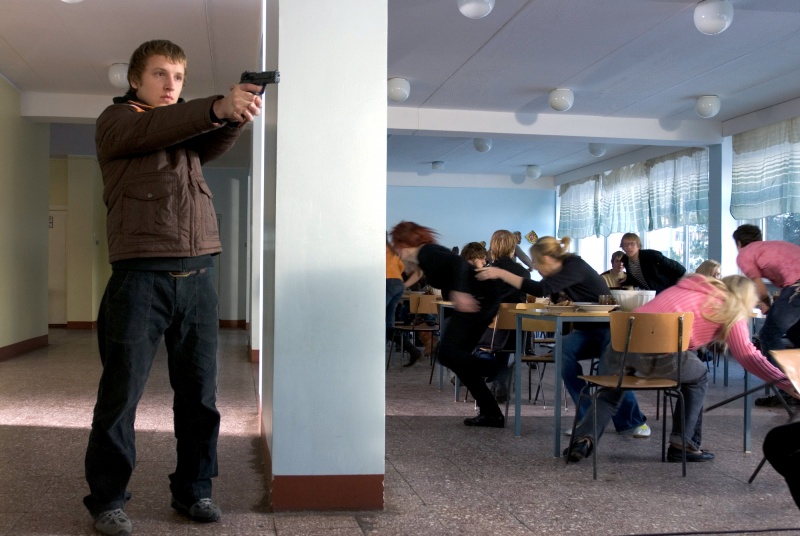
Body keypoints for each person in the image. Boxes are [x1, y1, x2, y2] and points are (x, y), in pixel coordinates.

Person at [84, 39, 264, 536]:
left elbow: (209, 144)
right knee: (120, 398)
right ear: (135, 80)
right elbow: (155, 127)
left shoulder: (181, 127)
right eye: (160, 74)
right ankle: (107, 501)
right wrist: (216, 106)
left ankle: (194, 490)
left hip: (199, 278)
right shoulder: (117, 121)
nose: (171, 85)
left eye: (179, 77)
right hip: (140, 279)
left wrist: (234, 117)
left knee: (200, 397)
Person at [565, 274, 796, 464]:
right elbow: (747, 355)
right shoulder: (730, 308)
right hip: (660, 354)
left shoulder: (687, 287)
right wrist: (784, 381)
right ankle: (683, 445)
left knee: (610, 393)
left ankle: (582, 441)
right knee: (699, 376)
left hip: (621, 346)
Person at [476, 236, 649, 437]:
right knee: (562, 349)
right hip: (586, 330)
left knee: (609, 371)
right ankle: (587, 418)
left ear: (548, 259)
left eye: (537, 263)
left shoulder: (573, 265)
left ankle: (633, 421)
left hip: (609, 329)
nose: (536, 267)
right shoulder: (560, 272)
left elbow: (540, 289)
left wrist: (501, 273)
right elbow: (550, 291)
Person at [390, 222, 505, 428]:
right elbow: (436, 270)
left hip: (477, 299)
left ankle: (497, 370)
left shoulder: (427, 252)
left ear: (403, 243)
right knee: (458, 360)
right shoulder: (425, 256)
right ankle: (492, 413)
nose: (396, 251)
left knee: (446, 354)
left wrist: (460, 292)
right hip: (483, 299)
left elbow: (459, 265)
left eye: (396, 245)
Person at [734, 224, 800, 406]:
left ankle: (788, 392)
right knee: (796, 335)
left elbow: (760, 288)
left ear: (739, 243)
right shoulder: (774, 246)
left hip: (797, 287)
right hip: (794, 289)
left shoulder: (745, 253)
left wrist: (768, 305)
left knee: (769, 335)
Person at [485, 231, 531, 403]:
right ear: (513, 249)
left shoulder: (486, 273)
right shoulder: (524, 273)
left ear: (492, 249)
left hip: (489, 334)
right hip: (517, 335)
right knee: (505, 339)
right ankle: (500, 380)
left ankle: (492, 376)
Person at [386, 241, 423, 366]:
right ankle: (413, 350)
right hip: (397, 284)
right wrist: (403, 285)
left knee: (374, 320)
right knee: (387, 326)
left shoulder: (378, 247)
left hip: (387, 282)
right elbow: (405, 268)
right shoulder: (393, 251)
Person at [619, 232, 686, 293]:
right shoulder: (626, 260)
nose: (629, 247)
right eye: (625, 244)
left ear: (638, 245)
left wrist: (677, 287)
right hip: (649, 295)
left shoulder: (651, 256)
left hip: (666, 292)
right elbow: (638, 279)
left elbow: (680, 269)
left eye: (632, 244)